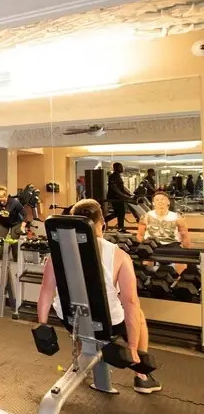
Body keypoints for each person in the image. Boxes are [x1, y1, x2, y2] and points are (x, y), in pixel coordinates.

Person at [35, 199, 161, 393]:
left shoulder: (57, 253)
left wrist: (42, 326)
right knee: (138, 314)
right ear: (102, 222)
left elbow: (45, 290)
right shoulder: (119, 255)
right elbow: (130, 302)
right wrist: (132, 348)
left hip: (71, 320)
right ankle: (141, 376)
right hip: (108, 324)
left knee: (81, 312)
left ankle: (81, 365)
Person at [106, 162, 134, 231]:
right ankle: (120, 228)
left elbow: (122, 188)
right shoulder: (113, 176)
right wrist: (122, 195)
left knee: (118, 213)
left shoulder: (118, 176)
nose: (122, 168)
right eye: (120, 167)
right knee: (120, 212)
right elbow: (114, 188)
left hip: (119, 197)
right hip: (115, 197)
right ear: (116, 168)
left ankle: (120, 227)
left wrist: (130, 194)